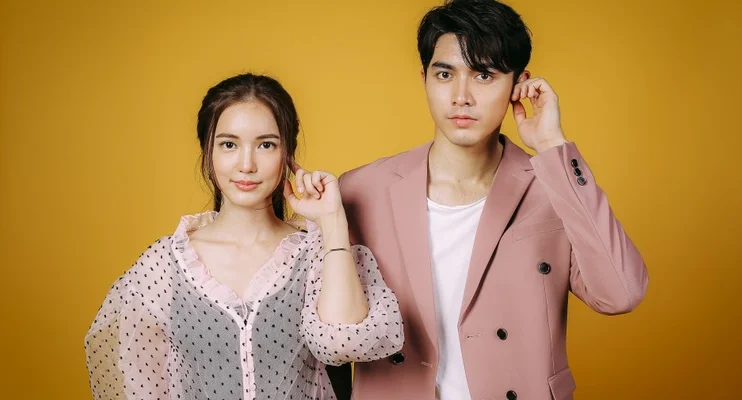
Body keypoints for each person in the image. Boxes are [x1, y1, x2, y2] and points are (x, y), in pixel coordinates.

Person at [333, 1, 650, 399]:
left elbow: (621, 293)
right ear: (424, 78)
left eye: (484, 75)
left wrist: (553, 147)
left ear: (519, 84)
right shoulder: (362, 190)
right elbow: (329, 332)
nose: (461, 96)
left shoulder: (553, 188)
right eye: (445, 74)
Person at [84, 73, 403, 400]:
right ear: (207, 150)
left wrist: (332, 221)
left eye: (266, 145)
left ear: (288, 153)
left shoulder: (316, 254)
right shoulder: (164, 265)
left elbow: (344, 345)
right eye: (229, 144)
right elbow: (142, 386)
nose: (247, 164)